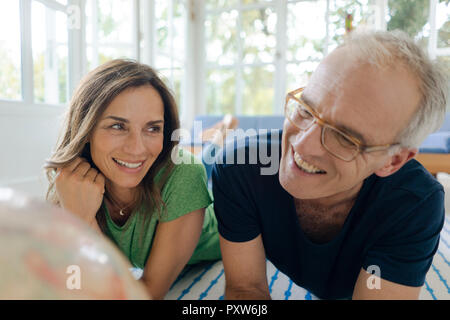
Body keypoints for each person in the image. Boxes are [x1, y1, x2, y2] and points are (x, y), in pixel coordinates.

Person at [212, 30, 448, 300]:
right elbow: (246, 290)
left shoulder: (414, 202)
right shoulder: (240, 169)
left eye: (344, 137)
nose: (303, 145)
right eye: (306, 109)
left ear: (392, 161)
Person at [44, 59, 231, 299]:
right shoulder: (73, 181)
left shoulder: (185, 176)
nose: (136, 148)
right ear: (86, 129)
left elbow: (146, 294)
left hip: (210, 213)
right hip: (165, 166)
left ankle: (225, 128)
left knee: (203, 160)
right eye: (118, 126)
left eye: (153, 128)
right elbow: (71, 280)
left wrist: (82, 220)